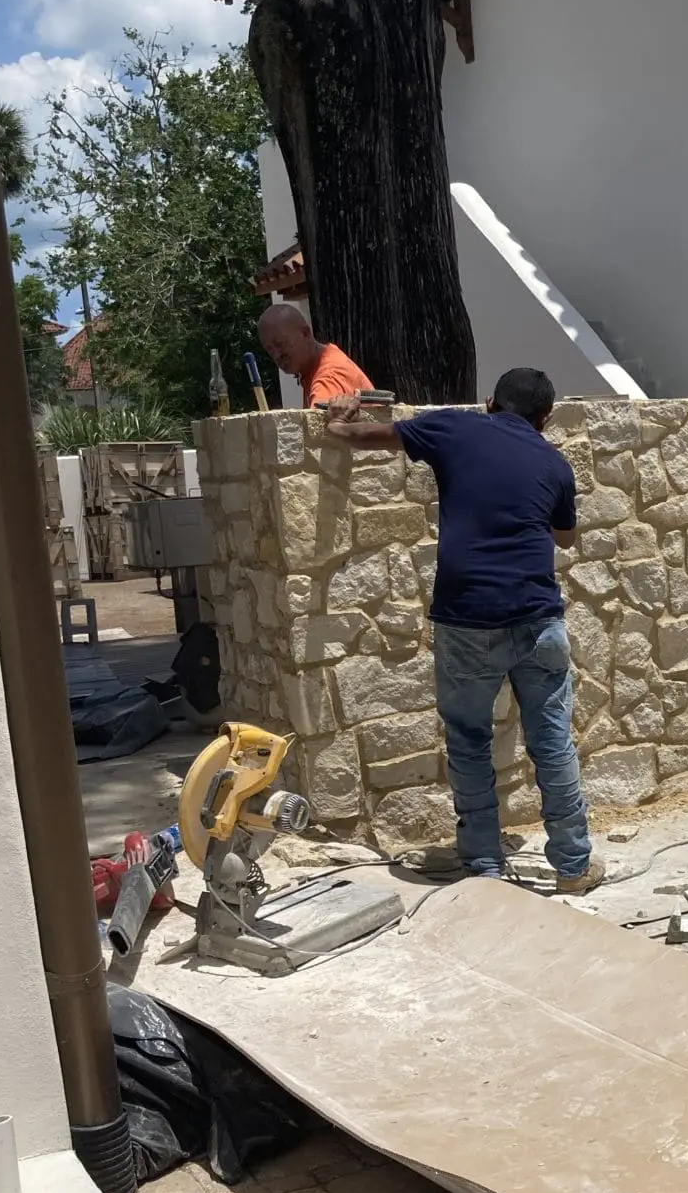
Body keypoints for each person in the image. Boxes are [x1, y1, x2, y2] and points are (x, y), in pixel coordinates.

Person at [325, 368, 603, 893]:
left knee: (470, 741)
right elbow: (565, 537)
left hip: (466, 618)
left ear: (490, 401)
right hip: (537, 618)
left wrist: (339, 419)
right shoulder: (554, 461)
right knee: (552, 742)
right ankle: (573, 867)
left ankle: (484, 869)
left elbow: (361, 436)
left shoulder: (453, 428)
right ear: (545, 419)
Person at [257, 302, 371, 408]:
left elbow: (317, 426)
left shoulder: (327, 379)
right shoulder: (314, 365)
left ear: (305, 333)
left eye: (280, 344)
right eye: (270, 350)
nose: (276, 355)